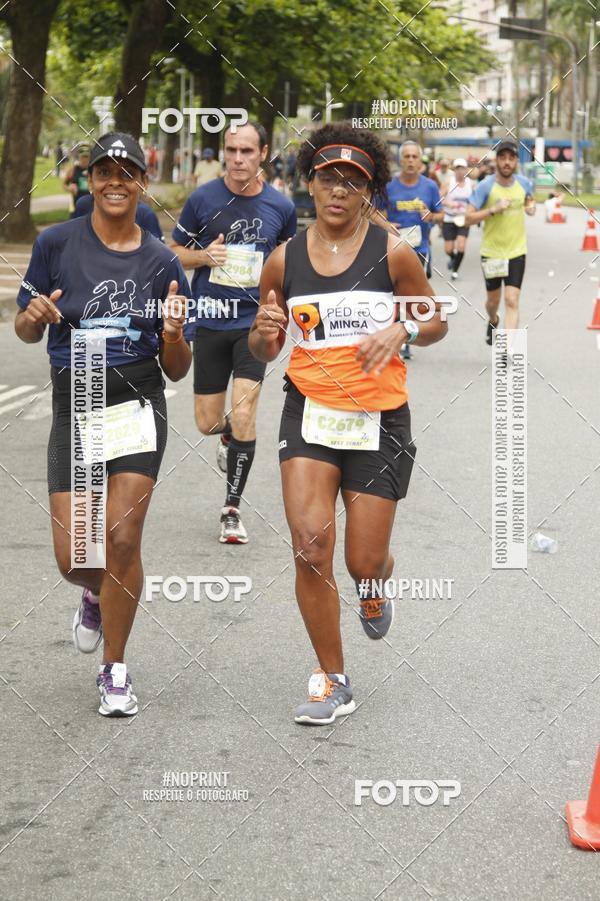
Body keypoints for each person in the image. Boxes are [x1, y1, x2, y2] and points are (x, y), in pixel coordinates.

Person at [248, 122, 448, 725]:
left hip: (379, 418)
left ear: (369, 190)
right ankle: (332, 679)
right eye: (328, 178)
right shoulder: (282, 261)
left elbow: (436, 319)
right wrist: (263, 335)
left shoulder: (393, 253)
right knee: (311, 546)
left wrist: (403, 328)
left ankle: (376, 580)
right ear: (309, 183)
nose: (339, 190)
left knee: (363, 560)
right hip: (309, 412)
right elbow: (265, 346)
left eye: (353, 182)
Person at [15, 132, 192, 717]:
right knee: (76, 557)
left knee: (120, 539)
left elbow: (177, 367)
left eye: (127, 172)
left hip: (137, 401)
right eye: (104, 172)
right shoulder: (55, 243)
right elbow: (25, 329)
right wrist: (33, 316)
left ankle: (114, 667)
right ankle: (95, 593)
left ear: (142, 182)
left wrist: (172, 335)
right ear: (88, 180)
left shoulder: (163, 261)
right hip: (77, 397)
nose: (116, 181)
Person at [171, 122, 296, 543]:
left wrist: (282, 308)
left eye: (246, 151)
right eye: (231, 150)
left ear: (263, 153)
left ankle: (231, 509)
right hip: (209, 320)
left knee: (244, 414)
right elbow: (173, 253)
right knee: (208, 422)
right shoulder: (202, 199)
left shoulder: (280, 206)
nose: (238, 159)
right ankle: (227, 435)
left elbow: (289, 261)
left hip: (253, 325)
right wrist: (203, 256)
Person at [466, 137, 535, 344]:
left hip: (516, 251)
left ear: (516, 161)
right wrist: (493, 210)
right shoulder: (485, 186)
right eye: (502, 158)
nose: (507, 162)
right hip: (492, 253)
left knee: (512, 300)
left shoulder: (524, 183)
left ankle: (507, 349)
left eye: (511, 158)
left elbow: (530, 202)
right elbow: (468, 218)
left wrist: (531, 208)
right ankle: (493, 319)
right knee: (492, 302)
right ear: (496, 160)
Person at [378, 140, 443, 355]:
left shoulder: (430, 186)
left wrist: (431, 216)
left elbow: (441, 215)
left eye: (415, 156)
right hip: (392, 249)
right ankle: (395, 336)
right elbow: (376, 213)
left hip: (419, 248)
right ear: (400, 160)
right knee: (393, 296)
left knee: (411, 296)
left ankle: (406, 338)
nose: (411, 161)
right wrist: (386, 224)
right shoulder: (389, 186)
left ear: (420, 161)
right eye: (406, 156)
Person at [74, 192, 164, 242]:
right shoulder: (84, 205)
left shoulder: (144, 213)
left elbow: (158, 259)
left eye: (126, 175)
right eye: (104, 173)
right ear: (90, 180)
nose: (115, 182)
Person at [441, 158, 474, 280]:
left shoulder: (471, 184)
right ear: (454, 170)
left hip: (463, 219)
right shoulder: (448, 182)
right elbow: (439, 199)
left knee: (461, 246)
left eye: (462, 168)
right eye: (457, 168)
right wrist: (449, 204)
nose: (460, 171)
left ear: (466, 170)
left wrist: (471, 212)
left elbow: (475, 201)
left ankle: (455, 270)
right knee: (448, 249)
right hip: (449, 218)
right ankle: (453, 258)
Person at [63, 144, 91, 217]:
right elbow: (64, 184)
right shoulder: (73, 170)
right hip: (76, 206)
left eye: (87, 157)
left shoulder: (94, 170)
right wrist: (70, 188)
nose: (85, 160)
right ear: (79, 157)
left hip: (91, 207)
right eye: (83, 157)